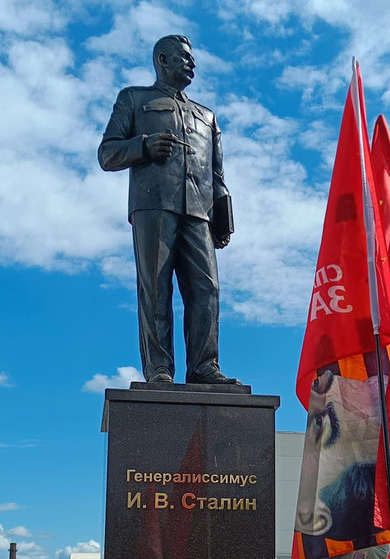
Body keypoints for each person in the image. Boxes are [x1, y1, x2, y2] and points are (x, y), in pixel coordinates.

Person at [98, 35, 239, 385]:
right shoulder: (134, 99)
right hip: (153, 205)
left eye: (192, 59)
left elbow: (217, 174)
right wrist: (144, 147)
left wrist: (223, 216)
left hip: (198, 211)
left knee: (207, 288)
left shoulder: (206, 115)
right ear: (162, 59)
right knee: (156, 288)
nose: (192, 64)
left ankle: (204, 367)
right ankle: (159, 368)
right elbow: (107, 153)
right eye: (184, 57)